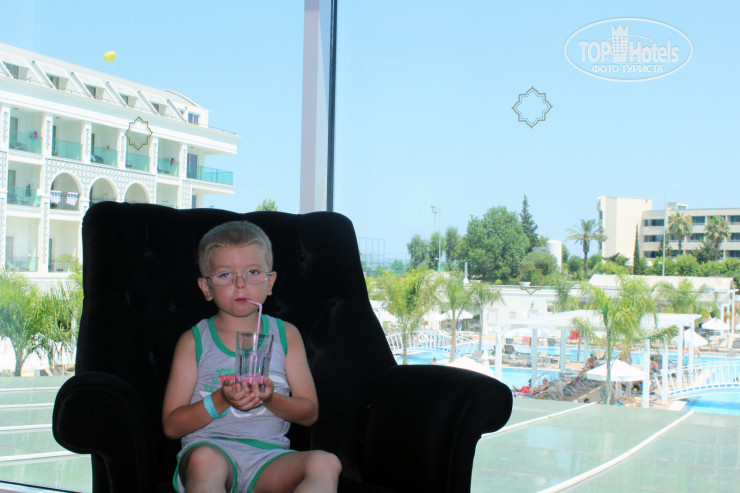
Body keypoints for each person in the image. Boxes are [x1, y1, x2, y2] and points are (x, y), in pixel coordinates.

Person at [162, 221, 341, 493]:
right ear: (206, 287)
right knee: (205, 460)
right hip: (210, 451)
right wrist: (221, 399)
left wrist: (270, 398)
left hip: (269, 459)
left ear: (270, 282)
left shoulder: (286, 335)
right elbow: (172, 425)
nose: (240, 284)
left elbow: (309, 413)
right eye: (225, 275)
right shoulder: (193, 341)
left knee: (326, 463)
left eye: (253, 272)